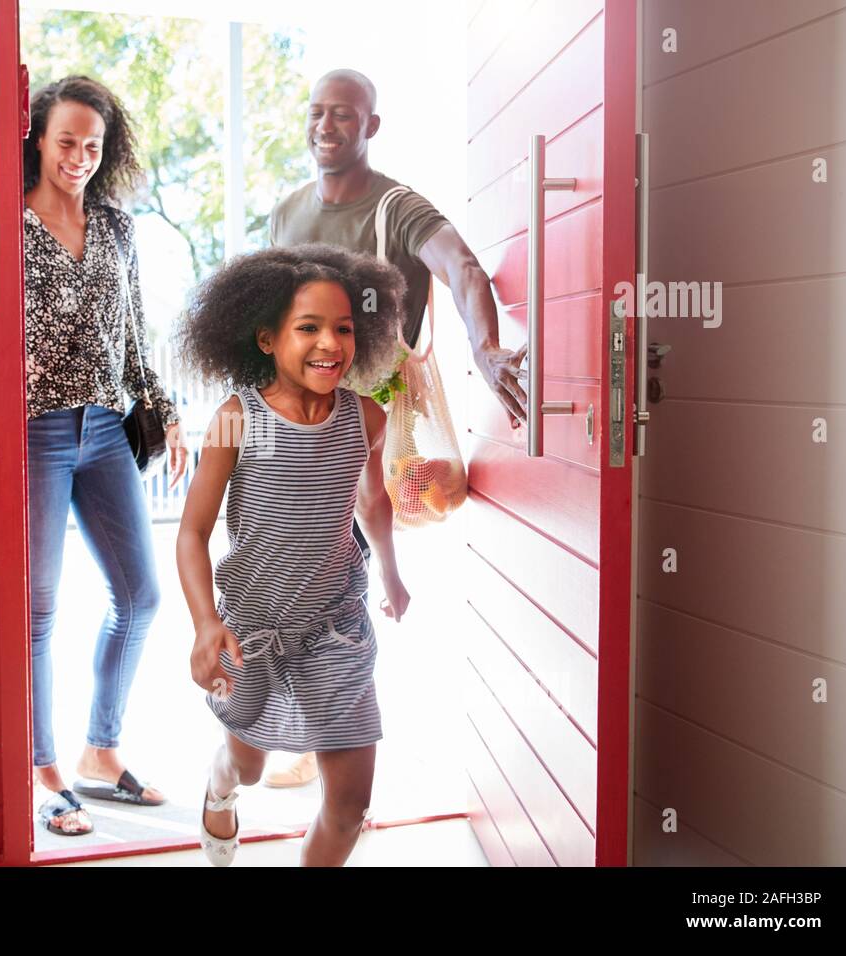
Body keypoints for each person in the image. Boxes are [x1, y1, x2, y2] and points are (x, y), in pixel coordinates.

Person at [261, 68, 529, 789]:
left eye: (344, 114)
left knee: (336, 583)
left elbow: (463, 267)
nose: (326, 125)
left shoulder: (397, 206)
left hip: (374, 419)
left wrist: (484, 346)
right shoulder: (286, 213)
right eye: (317, 112)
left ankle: (337, 751)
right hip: (299, 423)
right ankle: (325, 741)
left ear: (371, 126)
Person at [0, 75, 189, 836]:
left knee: (141, 595)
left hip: (108, 431)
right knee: (37, 610)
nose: (79, 158)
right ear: (37, 141)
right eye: (65, 143)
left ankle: (100, 750)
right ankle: (40, 768)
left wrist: (169, 417)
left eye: (92, 145)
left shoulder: (118, 227)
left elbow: (135, 329)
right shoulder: (4, 226)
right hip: (34, 433)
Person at [174, 243, 411, 866]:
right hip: (250, 631)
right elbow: (192, 532)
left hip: (337, 627)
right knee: (248, 766)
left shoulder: (367, 417)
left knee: (351, 802)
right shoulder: (236, 419)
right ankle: (219, 790)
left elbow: (372, 501)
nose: (330, 344)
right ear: (265, 339)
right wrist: (205, 621)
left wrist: (390, 575)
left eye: (343, 329)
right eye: (308, 328)